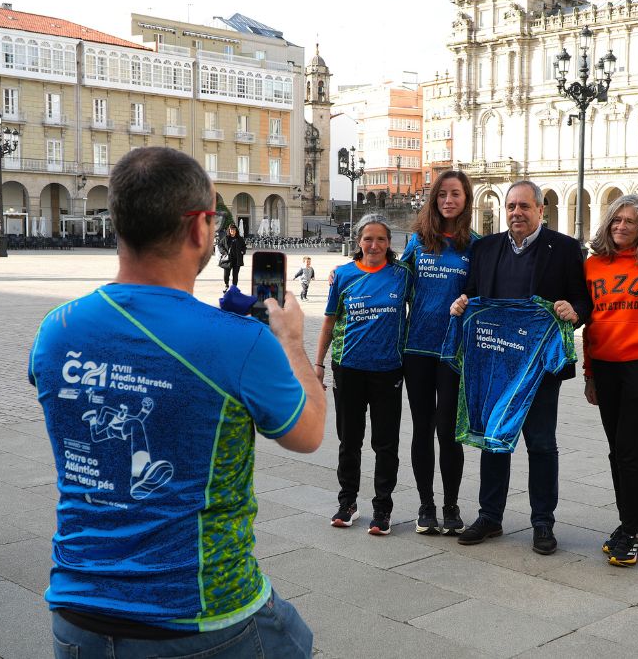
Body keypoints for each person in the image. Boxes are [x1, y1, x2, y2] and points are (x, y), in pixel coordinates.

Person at [29, 147, 324, 658]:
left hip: (78, 611)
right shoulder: (238, 341)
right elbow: (309, 432)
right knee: (295, 643)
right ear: (198, 228)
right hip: (204, 614)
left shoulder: (56, 330)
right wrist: (293, 343)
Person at [449, 180, 591, 555]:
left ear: (540, 210)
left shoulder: (564, 248)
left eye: (524, 206)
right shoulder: (485, 248)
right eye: (511, 206)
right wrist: (463, 303)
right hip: (495, 363)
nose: (516, 213)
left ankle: (543, 522)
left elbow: (583, 300)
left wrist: (573, 311)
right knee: (494, 438)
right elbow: (472, 293)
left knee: (541, 443)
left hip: (540, 366)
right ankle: (490, 516)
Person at [582, 194, 638, 567]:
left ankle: (632, 532)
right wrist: (589, 374)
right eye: (616, 220)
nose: (621, 226)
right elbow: (589, 323)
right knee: (616, 450)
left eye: (630, 221)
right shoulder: (593, 265)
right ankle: (626, 523)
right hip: (605, 366)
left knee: (630, 452)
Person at [316, 214, 411, 536]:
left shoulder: (402, 274)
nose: (374, 245)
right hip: (348, 368)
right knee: (349, 440)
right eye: (368, 238)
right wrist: (318, 363)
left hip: (388, 370)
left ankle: (382, 508)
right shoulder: (343, 275)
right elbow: (329, 321)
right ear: (358, 241)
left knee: (386, 443)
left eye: (381, 239)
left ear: (389, 243)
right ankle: (347, 503)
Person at [401, 170, 479, 536]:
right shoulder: (417, 242)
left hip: (454, 352)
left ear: (466, 200)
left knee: (448, 430)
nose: (448, 200)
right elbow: (395, 281)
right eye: (442, 194)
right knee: (422, 427)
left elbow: (484, 294)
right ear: (434, 200)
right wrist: (352, 274)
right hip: (417, 347)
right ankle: (426, 505)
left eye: (456, 194)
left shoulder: (475, 246)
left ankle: (451, 505)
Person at [218, 223, 246, 290]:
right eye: (231, 230)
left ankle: (234, 287)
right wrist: (224, 252)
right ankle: (226, 285)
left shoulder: (240, 239)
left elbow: (244, 246)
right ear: (229, 230)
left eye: (233, 230)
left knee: (235, 275)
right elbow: (220, 245)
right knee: (226, 275)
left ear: (236, 231)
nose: (232, 231)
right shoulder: (226, 238)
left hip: (237, 259)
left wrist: (243, 251)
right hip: (228, 259)